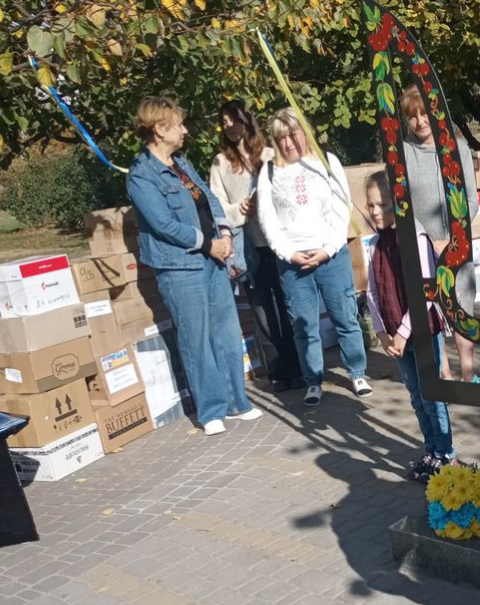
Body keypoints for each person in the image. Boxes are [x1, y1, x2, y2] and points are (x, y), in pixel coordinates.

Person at [127, 97, 260, 436]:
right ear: (160, 129)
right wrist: (207, 243)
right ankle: (211, 409)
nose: (185, 130)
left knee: (227, 333)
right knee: (196, 337)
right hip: (180, 267)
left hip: (213, 259)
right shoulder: (141, 175)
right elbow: (162, 224)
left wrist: (226, 231)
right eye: (179, 125)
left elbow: (210, 198)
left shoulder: (181, 162)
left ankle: (237, 402)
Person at [256, 108, 372, 407]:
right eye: (280, 138)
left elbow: (340, 208)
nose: (288, 143)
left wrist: (328, 248)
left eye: (293, 134)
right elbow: (267, 219)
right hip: (292, 262)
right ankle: (313, 379)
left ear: (303, 132)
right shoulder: (269, 171)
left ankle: (357, 372)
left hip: (330, 255)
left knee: (344, 315)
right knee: (304, 325)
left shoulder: (326, 161)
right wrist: (288, 253)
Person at [363, 172, 458, 482]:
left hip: (421, 330)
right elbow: (372, 291)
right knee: (416, 395)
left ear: (399, 204)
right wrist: (381, 331)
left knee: (432, 395)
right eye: (371, 205)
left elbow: (425, 291)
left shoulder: (414, 237)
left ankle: (446, 453)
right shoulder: (377, 243)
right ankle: (431, 449)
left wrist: (403, 332)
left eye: (383, 204)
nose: (375, 211)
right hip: (395, 336)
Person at [209, 100, 305, 392]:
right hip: (248, 246)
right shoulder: (220, 163)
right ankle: (277, 372)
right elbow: (217, 207)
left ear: (245, 120)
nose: (229, 127)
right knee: (262, 309)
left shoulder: (269, 155)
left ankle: (299, 366)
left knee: (288, 304)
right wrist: (241, 208)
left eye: (232, 120)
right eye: (223, 123)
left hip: (279, 243)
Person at [401, 86, 480, 383]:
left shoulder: (457, 148)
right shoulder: (404, 153)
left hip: (456, 242)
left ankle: (468, 374)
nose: (421, 122)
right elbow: (403, 206)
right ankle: (442, 371)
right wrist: (424, 239)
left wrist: (453, 236)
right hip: (423, 246)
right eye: (413, 116)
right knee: (432, 309)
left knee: (462, 307)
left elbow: (471, 199)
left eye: (425, 114)